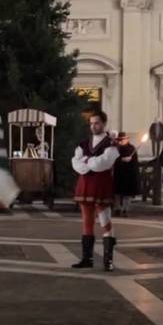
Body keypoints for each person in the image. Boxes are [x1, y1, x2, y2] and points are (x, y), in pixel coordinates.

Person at [71, 110, 119, 271]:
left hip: (101, 186)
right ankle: (87, 258)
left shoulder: (111, 144)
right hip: (85, 185)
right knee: (87, 222)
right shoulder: (84, 143)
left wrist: (87, 161)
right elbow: (76, 163)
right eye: (91, 123)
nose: (93, 126)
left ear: (104, 123)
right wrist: (89, 163)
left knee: (105, 221)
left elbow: (104, 163)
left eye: (96, 123)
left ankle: (108, 260)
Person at [113, 132, 140, 217]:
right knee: (117, 193)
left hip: (128, 174)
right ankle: (117, 208)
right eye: (119, 140)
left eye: (122, 139)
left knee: (127, 194)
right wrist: (121, 160)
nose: (121, 141)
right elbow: (112, 159)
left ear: (127, 139)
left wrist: (130, 160)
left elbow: (135, 163)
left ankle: (125, 209)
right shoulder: (115, 148)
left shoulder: (132, 148)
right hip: (118, 173)